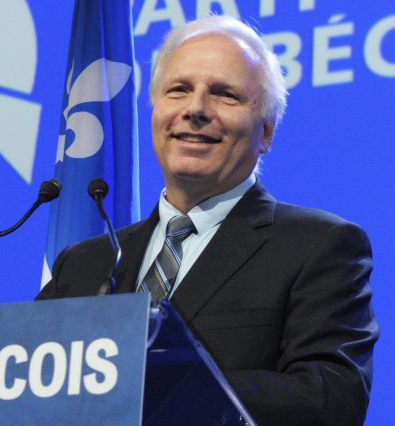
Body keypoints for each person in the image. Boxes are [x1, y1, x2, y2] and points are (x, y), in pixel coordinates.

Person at [37, 15, 378, 425]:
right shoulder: (83, 262)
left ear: (266, 131)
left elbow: (330, 396)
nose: (195, 110)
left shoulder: (319, 246)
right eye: (178, 90)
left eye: (225, 95)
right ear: (155, 111)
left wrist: (158, 384)